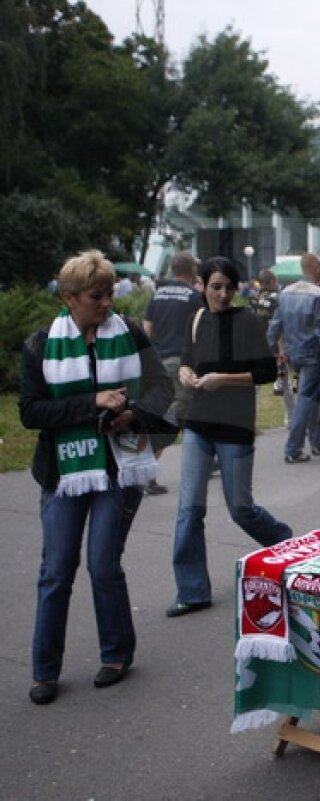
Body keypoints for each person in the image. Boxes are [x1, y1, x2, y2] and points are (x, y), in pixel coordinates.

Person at [19, 251, 174, 705]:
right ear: (70, 298)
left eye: (109, 294)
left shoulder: (129, 333)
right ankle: (44, 671)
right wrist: (94, 403)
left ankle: (117, 654)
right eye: (96, 296)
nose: (107, 303)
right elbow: (31, 412)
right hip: (63, 472)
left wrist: (132, 414)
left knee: (103, 564)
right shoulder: (41, 343)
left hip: (121, 466)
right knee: (56, 571)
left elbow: (162, 388)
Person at [168, 257, 292, 618]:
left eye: (229, 287)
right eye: (215, 287)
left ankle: (287, 544)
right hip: (198, 423)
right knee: (189, 510)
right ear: (203, 286)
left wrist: (224, 379)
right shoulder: (196, 318)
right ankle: (192, 591)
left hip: (235, 426)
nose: (222, 294)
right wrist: (186, 372)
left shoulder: (247, 320)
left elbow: (266, 371)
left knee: (240, 509)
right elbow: (188, 358)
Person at [267, 253, 320, 463]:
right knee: (306, 398)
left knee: (311, 395)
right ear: (316, 268)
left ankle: (318, 441)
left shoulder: (286, 292)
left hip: (293, 352)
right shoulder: (319, 295)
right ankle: (293, 448)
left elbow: (275, 324)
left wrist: (274, 348)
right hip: (312, 353)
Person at [143, 251, 204, 494]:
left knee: (187, 410)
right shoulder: (194, 297)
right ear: (191, 270)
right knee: (177, 413)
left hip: (158, 362)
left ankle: (204, 459)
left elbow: (147, 330)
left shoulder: (157, 295)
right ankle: (146, 469)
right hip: (182, 363)